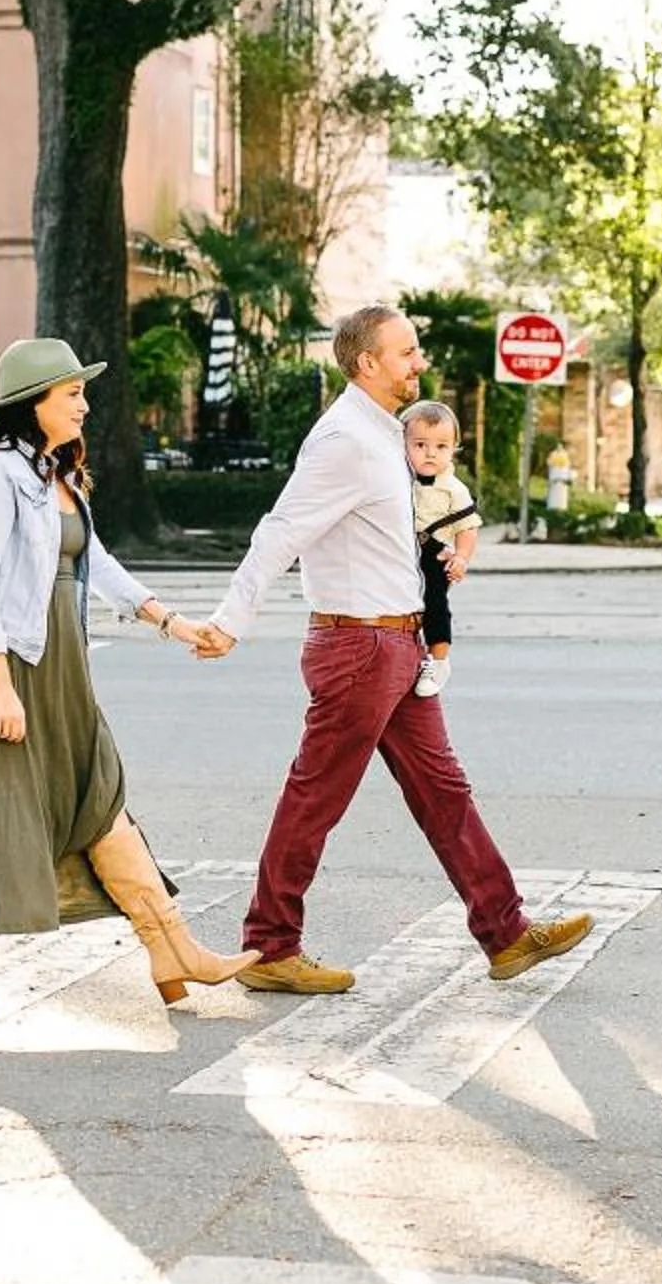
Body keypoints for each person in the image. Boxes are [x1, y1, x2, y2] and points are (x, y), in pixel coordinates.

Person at [192, 307, 591, 995]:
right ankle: (269, 947)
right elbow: (280, 530)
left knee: (445, 792)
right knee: (315, 798)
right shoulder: (344, 439)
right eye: (406, 351)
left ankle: (505, 932)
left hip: (396, 642)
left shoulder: (386, 437)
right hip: (357, 645)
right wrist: (232, 619)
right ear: (366, 362)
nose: (419, 361)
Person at [0, 335, 262, 1016]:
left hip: (58, 667)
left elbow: (100, 566)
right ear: (35, 402)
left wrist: (173, 623)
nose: (86, 405)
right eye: (73, 393)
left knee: (97, 794)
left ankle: (172, 948)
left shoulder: (53, 472)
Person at [401, 399, 480, 699]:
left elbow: (468, 526)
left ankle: (439, 660)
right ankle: (408, 652)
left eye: (441, 446)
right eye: (420, 444)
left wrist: (461, 557)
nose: (431, 453)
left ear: (454, 449)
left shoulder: (454, 488)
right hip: (402, 550)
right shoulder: (399, 477)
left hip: (434, 554)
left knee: (434, 604)